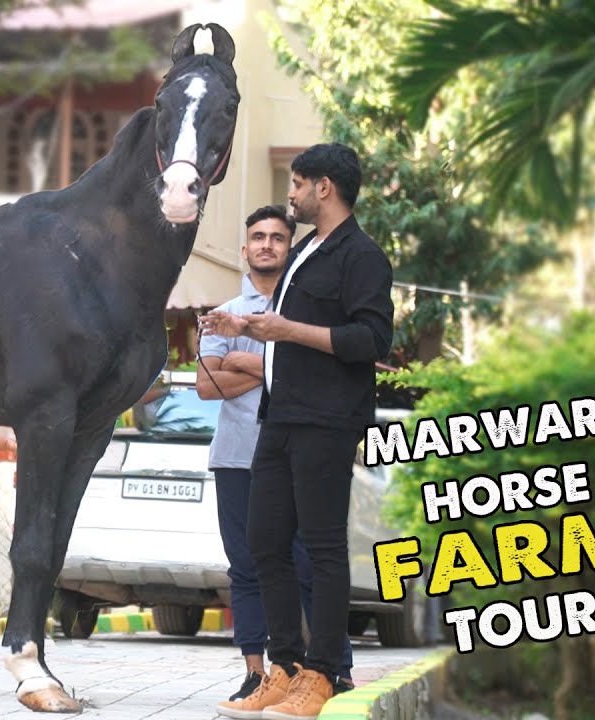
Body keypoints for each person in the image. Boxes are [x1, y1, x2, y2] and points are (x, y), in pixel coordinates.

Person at [202, 143, 394, 719]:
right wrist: (245, 325)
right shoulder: (306, 250)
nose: (291, 195)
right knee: (264, 543)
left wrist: (288, 328)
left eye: (297, 184)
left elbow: (370, 341)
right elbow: (287, 330)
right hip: (279, 419)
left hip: (327, 422)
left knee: (324, 550)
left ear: (324, 188)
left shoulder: (361, 256)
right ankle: (283, 668)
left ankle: (325, 674)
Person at [198, 206, 353, 712]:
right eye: (258, 237)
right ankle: (257, 674)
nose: (267, 245)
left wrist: (246, 359)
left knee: (310, 562)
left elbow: (311, 368)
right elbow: (207, 384)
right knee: (247, 566)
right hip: (237, 456)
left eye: (277, 238)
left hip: (300, 452)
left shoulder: (302, 311)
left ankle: (334, 669)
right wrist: (271, 366)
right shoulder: (223, 309)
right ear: (245, 249)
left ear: (291, 250)